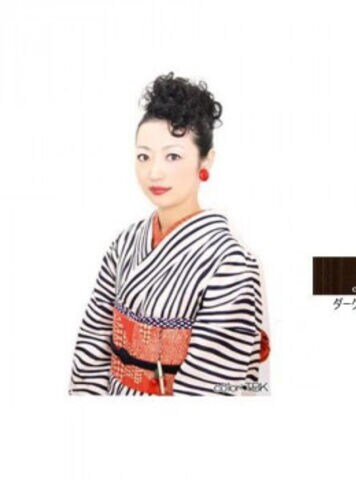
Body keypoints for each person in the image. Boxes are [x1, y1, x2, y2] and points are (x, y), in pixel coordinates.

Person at [68, 71, 270, 396]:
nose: (154, 172)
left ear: (206, 160)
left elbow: (209, 390)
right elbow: (92, 346)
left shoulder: (230, 264)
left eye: (173, 156)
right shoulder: (124, 244)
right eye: (143, 156)